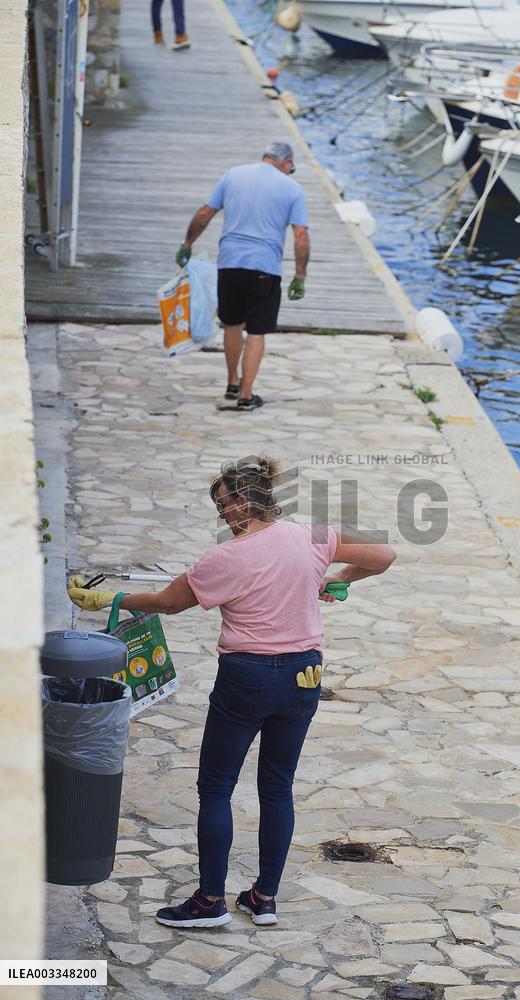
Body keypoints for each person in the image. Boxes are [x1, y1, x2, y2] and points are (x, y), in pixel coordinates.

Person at [67, 457, 395, 929]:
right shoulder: (314, 536)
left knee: (216, 788)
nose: (221, 514)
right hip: (305, 674)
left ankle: (208, 903)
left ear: (245, 500)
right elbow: (383, 556)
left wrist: (109, 599)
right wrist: (336, 578)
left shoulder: (224, 559)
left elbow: (169, 602)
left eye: (224, 504)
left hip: (248, 676)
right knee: (277, 788)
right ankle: (263, 899)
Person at [176, 143, 310, 412]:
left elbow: (205, 214)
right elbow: (301, 236)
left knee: (232, 324)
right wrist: (300, 275)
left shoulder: (233, 175)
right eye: (291, 168)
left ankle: (232, 383)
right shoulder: (292, 189)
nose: (290, 172)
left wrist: (187, 244)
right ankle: (246, 395)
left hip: (230, 264)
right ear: (286, 162)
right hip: (265, 269)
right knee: (257, 331)